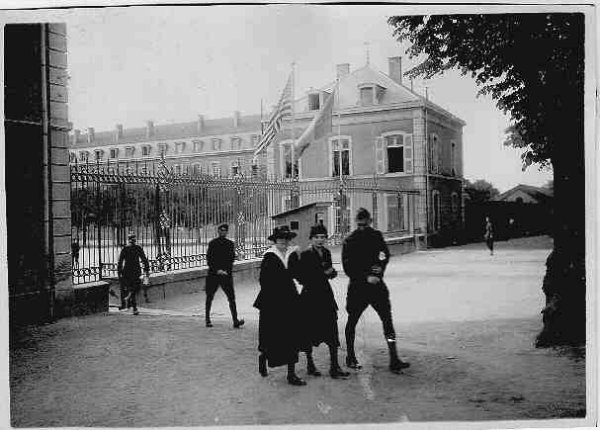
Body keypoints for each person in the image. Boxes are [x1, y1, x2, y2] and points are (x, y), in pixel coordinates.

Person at [342, 208, 410, 374]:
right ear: (356, 223)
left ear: (370, 221)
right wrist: (366, 277)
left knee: (387, 321)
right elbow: (348, 266)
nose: (362, 227)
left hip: (377, 286)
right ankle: (350, 356)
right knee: (352, 322)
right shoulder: (350, 240)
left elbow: (384, 255)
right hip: (358, 287)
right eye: (359, 224)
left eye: (365, 224)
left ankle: (394, 358)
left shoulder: (377, 236)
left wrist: (378, 271)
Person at [253, 226, 306, 386]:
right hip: (272, 301)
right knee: (272, 335)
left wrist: (300, 259)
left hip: (290, 299)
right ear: (275, 240)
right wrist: (279, 286)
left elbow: (299, 274)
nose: (283, 241)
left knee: (292, 335)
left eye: (286, 238)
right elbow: (263, 280)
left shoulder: (292, 254)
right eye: (280, 238)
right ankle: (263, 357)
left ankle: (291, 374)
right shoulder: (270, 256)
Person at [297, 224, 350, 379]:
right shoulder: (305, 255)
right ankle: (310, 364)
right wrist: (322, 273)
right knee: (308, 332)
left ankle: (334, 366)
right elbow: (302, 278)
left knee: (332, 331)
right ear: (311, 239)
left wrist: (332, 273)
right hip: (310, 297)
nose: (320, 240)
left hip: (325, 296)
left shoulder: (326, 252)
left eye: (322, 237)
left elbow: (329, 272)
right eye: (316, 237)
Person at [205, 223, 244, 329]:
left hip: (226, 275)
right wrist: (217, 270)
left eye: (225, 230)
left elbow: (231, 259)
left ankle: (235, 320)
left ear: (227, 232)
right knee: (209, 297)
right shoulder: (213, 243)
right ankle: (207, 320)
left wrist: (225, 271)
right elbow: (209, 259)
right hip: (214, 274)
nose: (223, 232)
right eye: (221, 230)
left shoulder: (230, 244)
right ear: (218, 231)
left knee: (231, 298)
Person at [117, 233, 150, 316]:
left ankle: (128, 303)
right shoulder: (137, 248)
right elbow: (144, 260)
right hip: (135, 271)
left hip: (127, 271)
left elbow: (120, 261)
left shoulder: (126, 248)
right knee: (133, 289)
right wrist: (146, 270)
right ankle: (133, 307)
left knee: (131, 288)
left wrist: (119, 272)